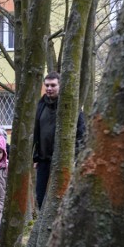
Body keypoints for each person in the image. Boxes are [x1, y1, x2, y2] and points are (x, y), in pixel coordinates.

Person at [32, 71, 85, 209]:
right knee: (41, 197)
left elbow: (81, 133)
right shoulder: (40, 105)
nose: (49, 88)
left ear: (60, 86)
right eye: (47, 85)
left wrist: (74, 156)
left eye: (53, 85)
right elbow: (35, 131)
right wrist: (35, 157)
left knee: (63, 197)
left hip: (64, 160)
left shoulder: (71, 106)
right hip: (43, 161)